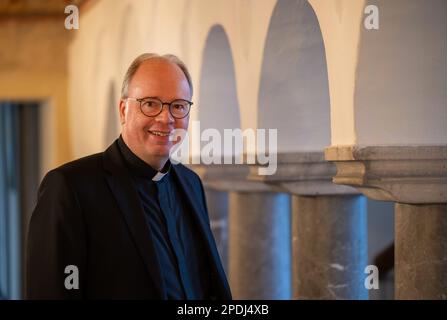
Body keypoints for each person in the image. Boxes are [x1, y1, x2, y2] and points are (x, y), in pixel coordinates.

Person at [26, 53, 231, 300]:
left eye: (178, 106)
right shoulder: (71, 187)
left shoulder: (191, 183)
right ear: (124, 110)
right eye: (151, 103)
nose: (166, 119)